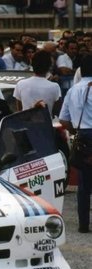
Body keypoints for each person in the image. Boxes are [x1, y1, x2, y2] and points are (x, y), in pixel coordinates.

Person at [59, 53, 92, 233]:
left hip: (83, 137)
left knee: (83, 184)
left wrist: (75, 131)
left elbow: (63, 120)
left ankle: (83, 224)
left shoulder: (73, 90)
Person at [13, 50, 62, 117]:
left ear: (32, 63)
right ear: (49, 66)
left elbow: (19, 110)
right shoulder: (55, 87)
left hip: (26, 125)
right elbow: (56, 112)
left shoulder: (21, 84)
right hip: (46, 125)